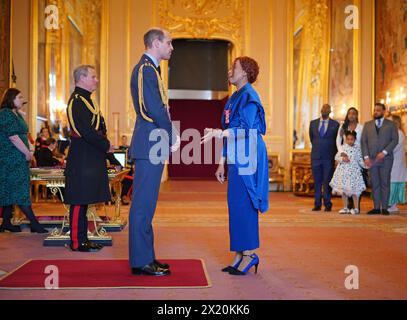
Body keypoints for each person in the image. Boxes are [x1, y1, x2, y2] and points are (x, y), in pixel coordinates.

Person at [201, 56, 269, 275]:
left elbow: (248, 129)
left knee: (245, 203)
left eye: (234, 68)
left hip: (249, 154)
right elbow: (230, 133)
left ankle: (249, 253)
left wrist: (219, 133)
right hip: (236, 154)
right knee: (235, 204)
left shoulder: (249, 96)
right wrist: (222, 163)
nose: (230, 71)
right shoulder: (233, 98)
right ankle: (239, 254)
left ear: (245, 73)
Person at [128, 28, 180, 276]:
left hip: (152, 143)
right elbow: (152, 110)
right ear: (156, 43)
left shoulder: (152, 71)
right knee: (142, 205)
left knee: (147, 205)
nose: (171, 47)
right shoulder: (145, 70)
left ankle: (147, 256)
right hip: (149, 143)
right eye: (168, 43)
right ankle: (140, 261)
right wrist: (171, 135)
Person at [64, 65, 114, 252]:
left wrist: (104, 142)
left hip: (91, 154)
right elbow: (85, 131)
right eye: (93, 76)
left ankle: (84, 238)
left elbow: (99, 126)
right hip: (82, 156)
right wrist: (105, 145)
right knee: (79, 199)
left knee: (85, 199)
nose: (96, 80)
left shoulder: (88, 101)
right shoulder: (76, 101)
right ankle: (77, 241)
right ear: (82, 78)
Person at [0, 88, 47, 233]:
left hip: (18, 157)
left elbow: (24, 134)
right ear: (11, 99)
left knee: (10, 189)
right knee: (20, 191)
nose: (22, 100)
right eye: (19, 97)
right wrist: (27, 152)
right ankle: (34, 223)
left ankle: (6, 223)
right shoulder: (5, 114)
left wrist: (30, 151)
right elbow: (13, 137)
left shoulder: (15, 114)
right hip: (11, 158)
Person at [361, 103, 399, 215]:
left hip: (386, 159)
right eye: (374, 110)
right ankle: (376, 207)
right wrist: (366, 157)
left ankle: (385, 208)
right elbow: (364, 142)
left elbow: (394, 140)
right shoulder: (367, 125)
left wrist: (384, 152)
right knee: (375, 183)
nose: (375, 112)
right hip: (372, 159)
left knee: (385, 182)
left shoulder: (391, 125)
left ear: (384, 111)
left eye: (378, 110)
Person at [309, 104, 340, 212]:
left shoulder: (335, 125)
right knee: (317, 182)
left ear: (330, 111)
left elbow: (337, 141)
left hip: (328, 157)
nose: (324, 110)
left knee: (327, 181)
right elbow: (312, 139)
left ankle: (327, 204)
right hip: (316, 157)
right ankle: (317, 204)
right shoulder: (313, 124)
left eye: (327, 109)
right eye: (323, 108)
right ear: (321, 110)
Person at [330, 131, 366, 215]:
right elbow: (336, 157)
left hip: (354, 172)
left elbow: (360, 160)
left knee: (355, 191)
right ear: (345, 139)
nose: (350, 141)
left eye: (352, 139)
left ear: (355, 140)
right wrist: (343, 159)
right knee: (344, 190)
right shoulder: (342, 148)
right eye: (348, 139)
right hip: (343, 172)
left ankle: (356, 208)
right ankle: (345, 207)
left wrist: (366, 165)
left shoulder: (357, 149)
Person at [336, 107, 365, 210]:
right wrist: (342, 153)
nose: (351, 115)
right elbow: (338, 141)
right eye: (349, 114)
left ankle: (356, 206)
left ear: (357, 115)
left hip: (357, 156)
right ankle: (348, 204)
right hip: (346, 157)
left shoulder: (361, 127)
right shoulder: (343, 127)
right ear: (347, 115)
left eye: (353, 113)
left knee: (356, 181)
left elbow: (363, 142)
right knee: (346, 181)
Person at [388, 115, 407, 213]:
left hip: (397, 164)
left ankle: (393, 206)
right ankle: (391, 205)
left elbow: (392, 148)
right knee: (392, 183)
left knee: (394, 184)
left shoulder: (399, 134)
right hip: (392, 163)